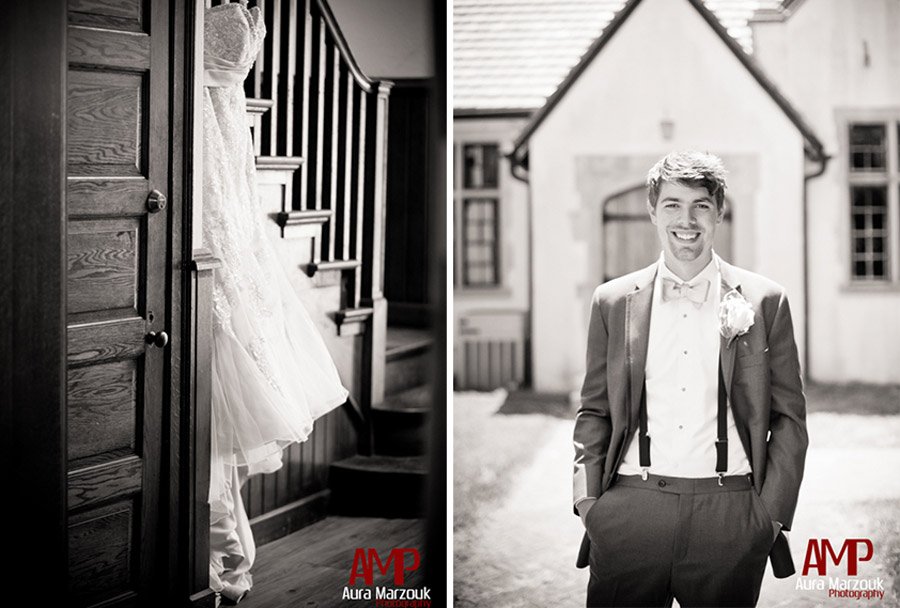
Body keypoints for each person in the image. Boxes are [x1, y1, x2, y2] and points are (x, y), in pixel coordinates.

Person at [573, 150, 808, 607]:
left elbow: (789, 419)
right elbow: (594, 410)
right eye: (672, 205)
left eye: (701, 205)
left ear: (719, 211)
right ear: (653, 212)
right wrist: (590, 504)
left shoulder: (764, 301)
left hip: (730, 515)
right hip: (629, 511)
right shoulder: (612, 301)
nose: (687, 220)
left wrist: (769, 516)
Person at [202, 2, 349, 602]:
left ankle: (218, 557)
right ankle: (215, 556)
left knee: (229, 362)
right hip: (208, 141)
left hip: (224, 145)